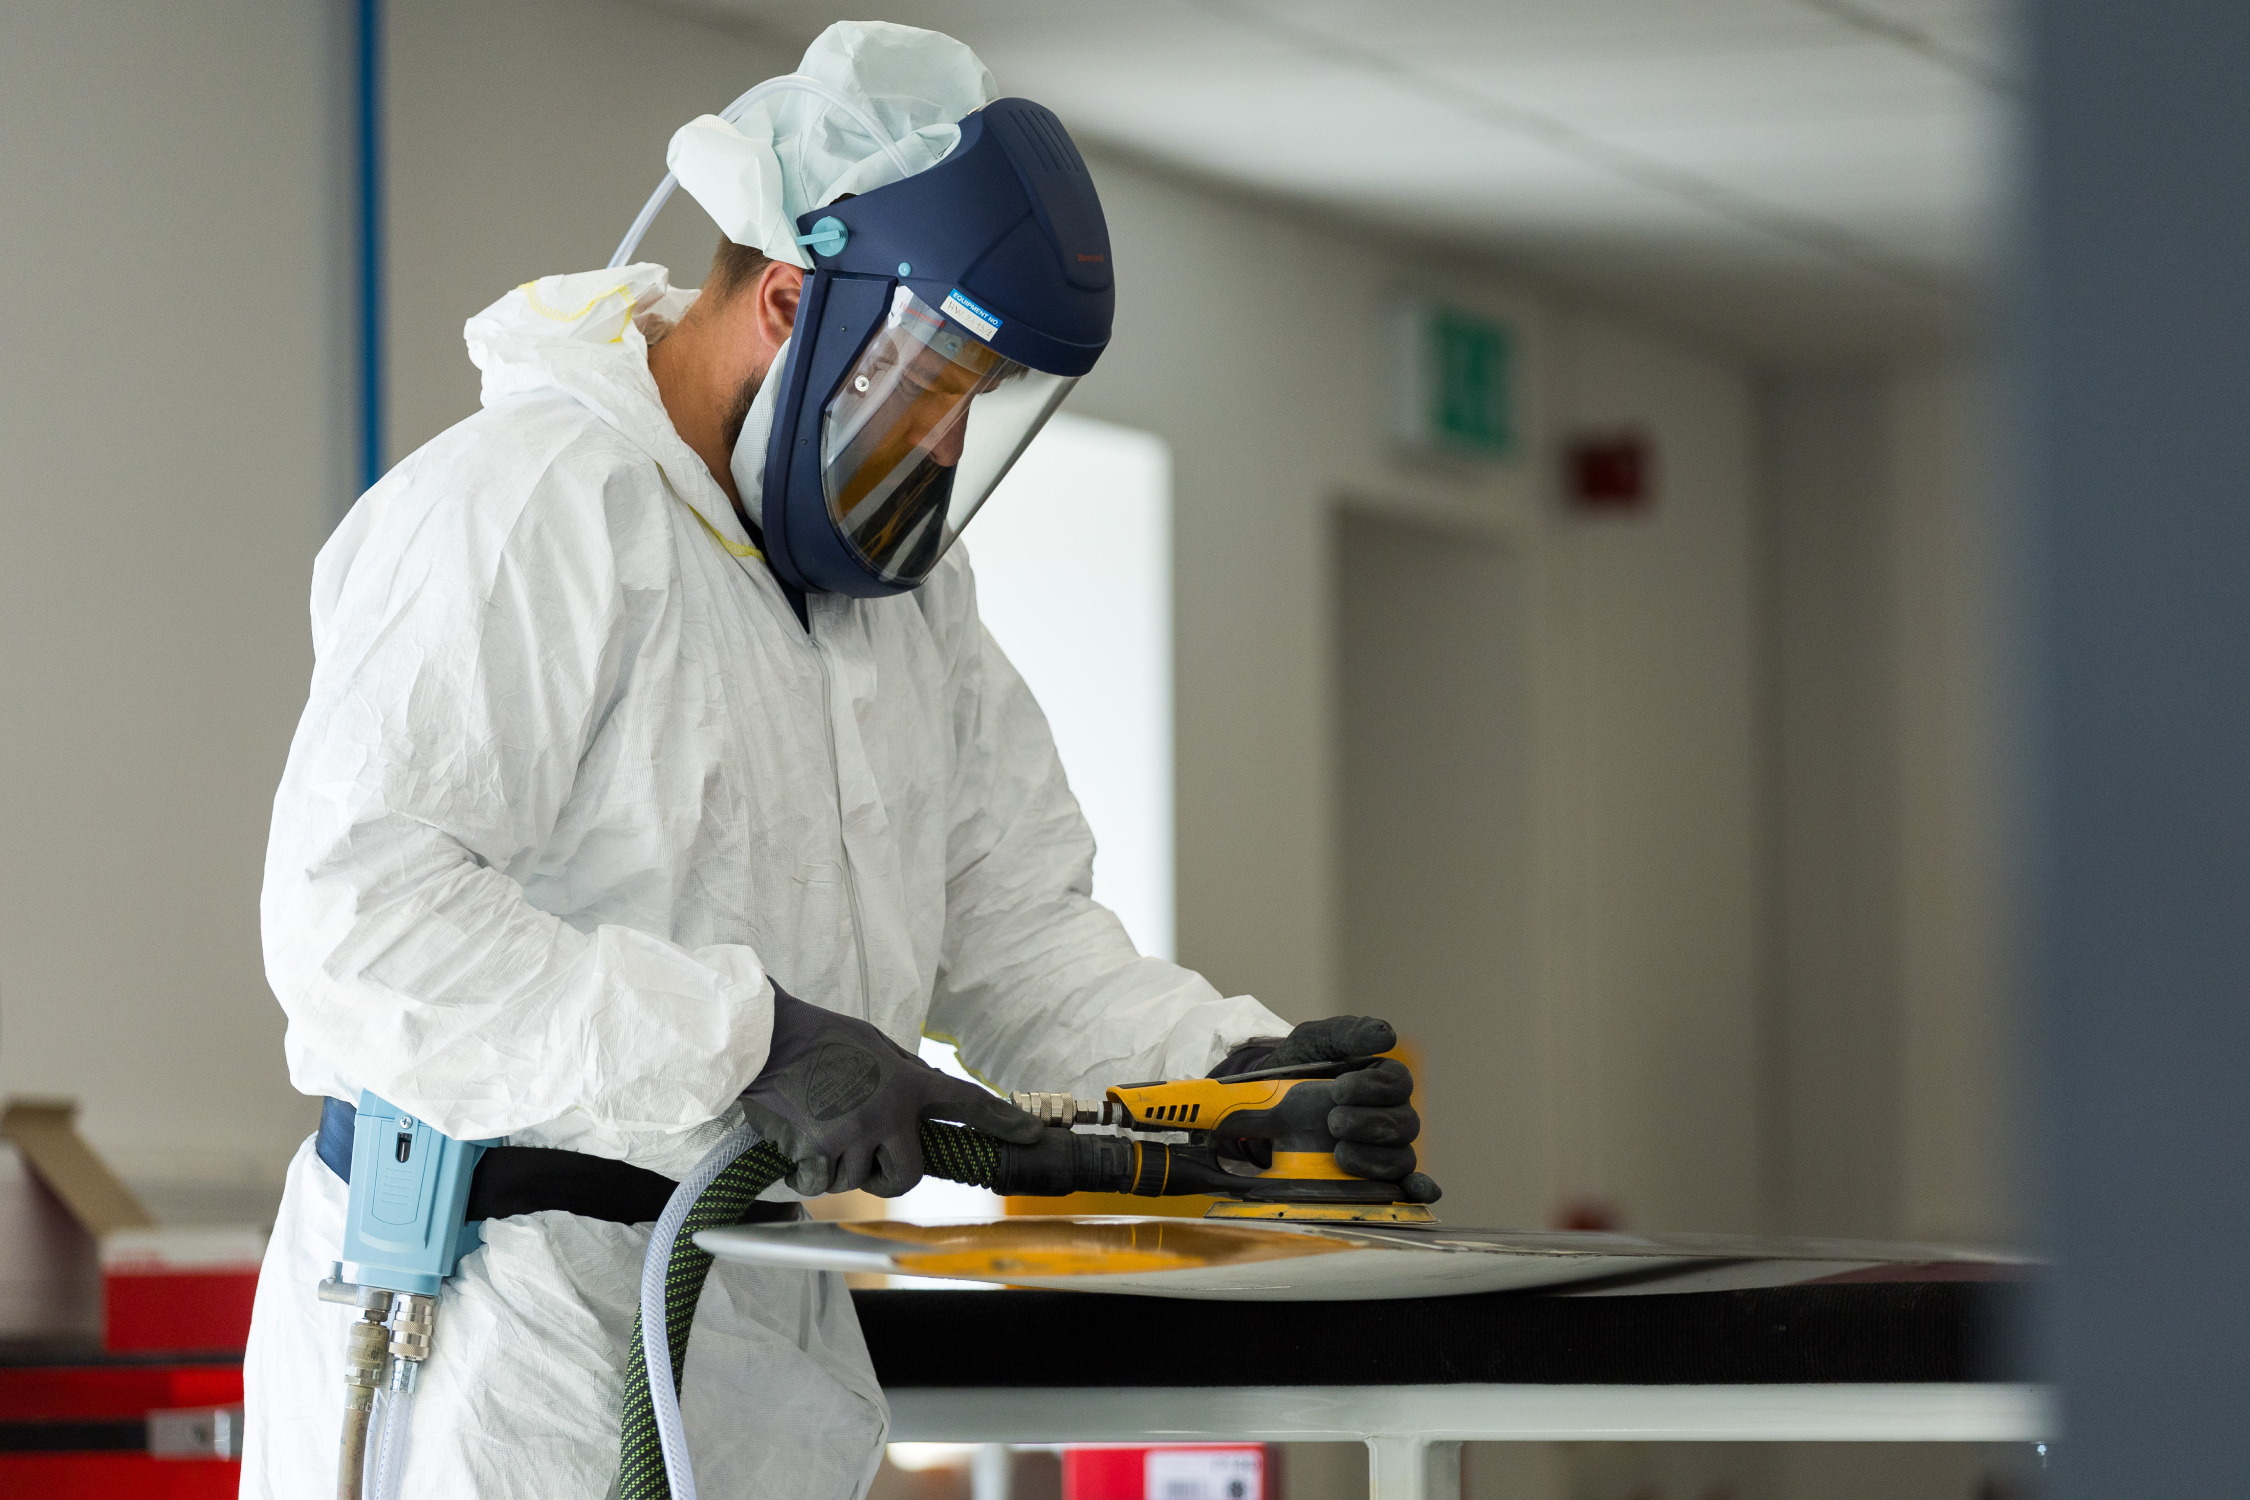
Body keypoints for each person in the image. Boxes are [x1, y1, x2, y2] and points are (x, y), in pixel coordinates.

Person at [242, 21, 1430, 1500]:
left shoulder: (902, 604)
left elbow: (1013, 934)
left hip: (754, 1318)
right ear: (792, 300)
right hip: (501, 1343)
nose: (942, 444)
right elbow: (363, 926)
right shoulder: (530, 506)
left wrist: (1225, 1075)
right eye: (932, 384)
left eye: (980, 400)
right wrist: (753, 1043)